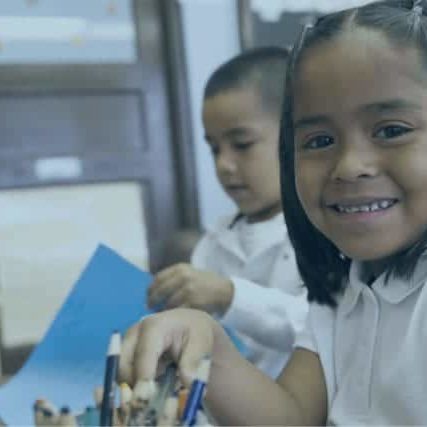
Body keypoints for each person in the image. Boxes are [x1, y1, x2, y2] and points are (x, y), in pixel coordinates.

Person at [120, 0, 427, 424]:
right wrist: (206, 340)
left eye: (392, 130)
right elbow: (293, 417)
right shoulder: (341, 291)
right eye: (318, 140)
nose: (350, 165)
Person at [147, 47, 307, 379]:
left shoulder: (324, 233)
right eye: (214, 148)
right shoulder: (213, 243)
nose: (224, 164)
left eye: (242, 144)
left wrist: (228, 295)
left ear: (298, 138)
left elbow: (319, 328)